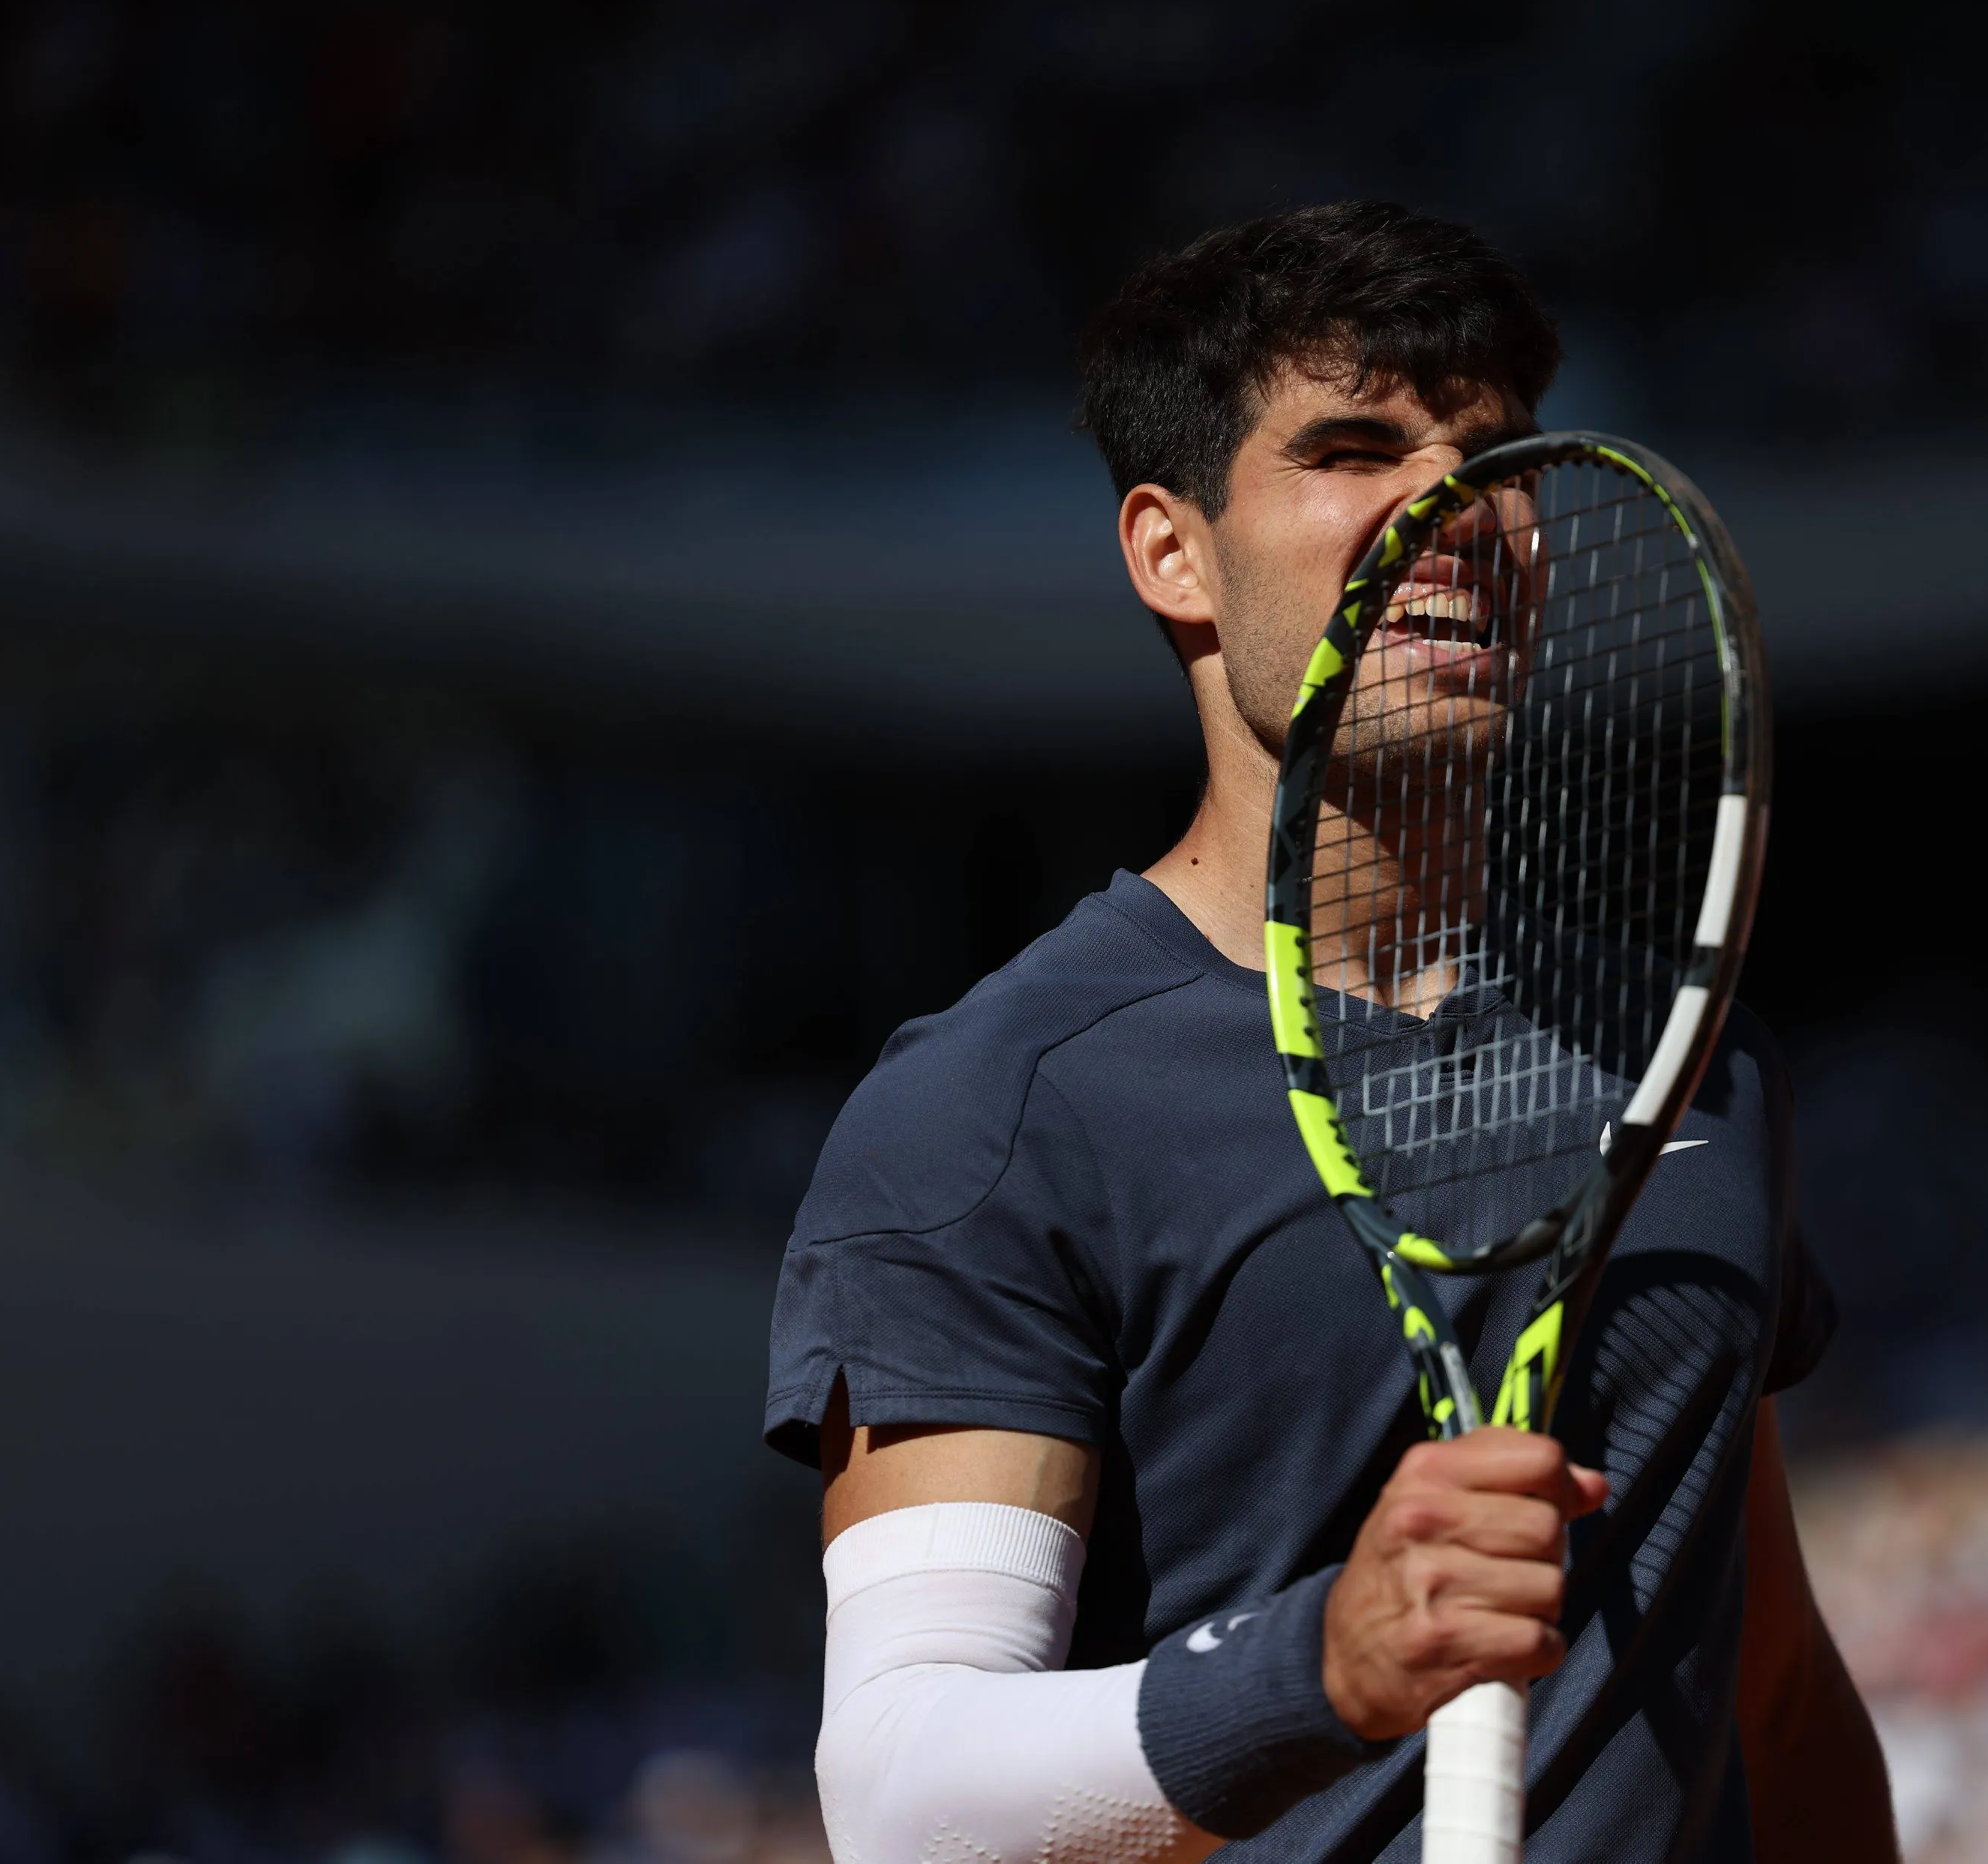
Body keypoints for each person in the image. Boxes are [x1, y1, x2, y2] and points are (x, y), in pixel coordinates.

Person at [764, 201, 1896, 1864]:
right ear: (1172, 551)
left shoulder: (1685, 1048)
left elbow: (1773, 1687)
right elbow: (902, 1794)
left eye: (1497, 456)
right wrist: (1325, 1659)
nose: (1455, 508)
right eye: (1353, 447)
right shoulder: (995, 1107)